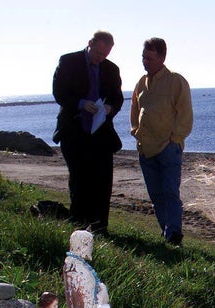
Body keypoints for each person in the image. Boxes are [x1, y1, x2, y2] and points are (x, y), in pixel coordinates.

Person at [52, 30, 124, 234]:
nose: (101, 58)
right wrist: (82, 104)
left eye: (105, 55)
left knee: (102, 181)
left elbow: (117, 98)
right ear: (90, 43)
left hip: (101, 133)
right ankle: (79, 226)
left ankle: (100, 227)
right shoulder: (68, 61)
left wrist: (109, 108)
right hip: (74, 130)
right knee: (79, 180)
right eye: (98, 53)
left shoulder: (111, 69)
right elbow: (59, 92)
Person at [130, 37, 193, 246]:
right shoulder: (141, 83)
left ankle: (174, 234)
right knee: (156, 195)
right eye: (143, 57)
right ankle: (166, 233)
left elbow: (185, 115)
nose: (145, 62)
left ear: (162, 58)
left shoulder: (176, 81)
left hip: (168, 148)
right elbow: (135, 110)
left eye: (149, 58)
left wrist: (174, 140)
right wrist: (136, 131)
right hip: (146, 149)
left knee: (170, 193)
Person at [63, 230, 112, 308]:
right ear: (84, 246)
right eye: (91, 245)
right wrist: (102, 295)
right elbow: (86, 305)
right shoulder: (80, 270)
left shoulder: (69, 263)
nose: (92, 248)